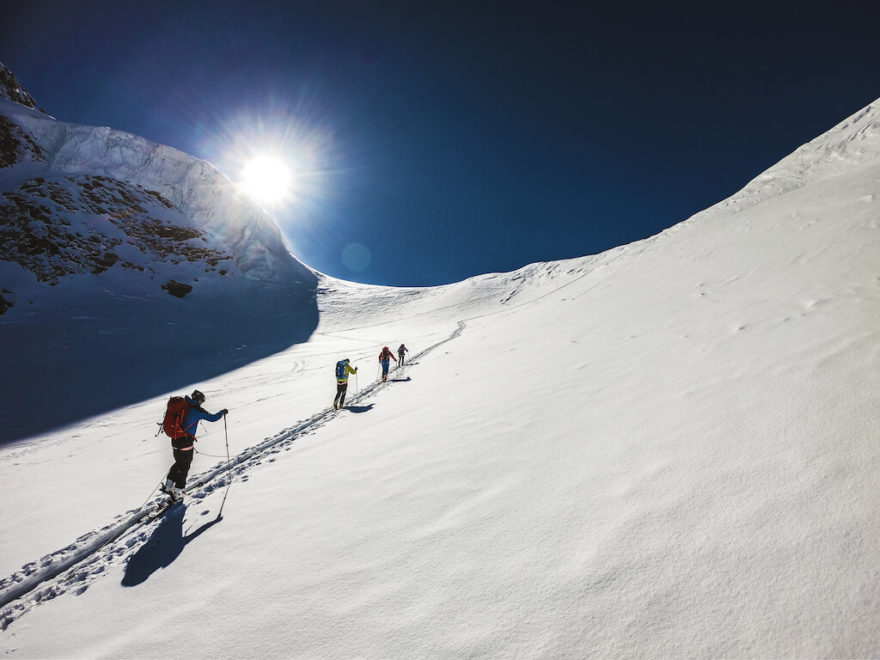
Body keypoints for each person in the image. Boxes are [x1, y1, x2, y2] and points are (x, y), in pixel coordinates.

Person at [162, 389, 227, 500]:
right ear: (199, 400)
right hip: (186, 442)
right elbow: (212, 418)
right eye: (202, 401)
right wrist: (222, 412)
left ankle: (168, 485)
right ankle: (178, 491)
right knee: (185, 465)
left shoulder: (184, 405)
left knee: (179, 463)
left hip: (175, 439)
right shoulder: (197, 410)